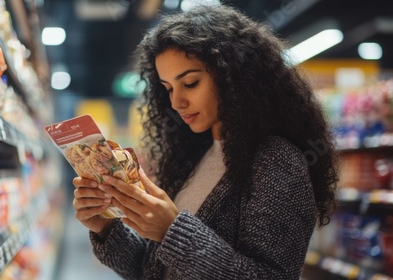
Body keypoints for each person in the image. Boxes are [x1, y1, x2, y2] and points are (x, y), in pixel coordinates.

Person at [72, 4, 339, 280]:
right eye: (168, 89)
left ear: (232, 75)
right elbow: (154, 270)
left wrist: (171, 231)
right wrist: (106, 227)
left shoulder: (276, 161)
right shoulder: (194, 154)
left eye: (190, 83)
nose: (176, 102)